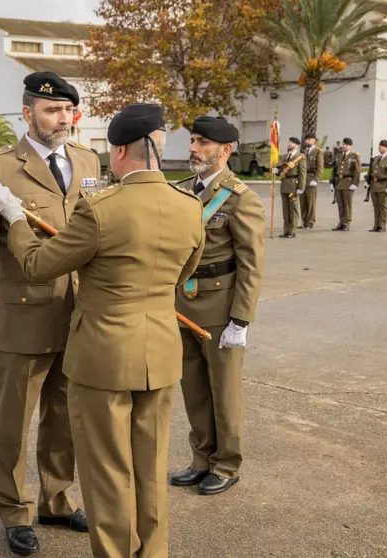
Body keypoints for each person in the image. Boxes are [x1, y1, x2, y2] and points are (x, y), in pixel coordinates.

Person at [0, 103, 205, 558]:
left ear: (121, 151)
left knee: (108, 474)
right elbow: (184, 274)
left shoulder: (102, 208)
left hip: (103, 355)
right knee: (150, 467)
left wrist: (16, 217)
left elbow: (37, 263)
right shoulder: (190, 207)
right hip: (160, 353)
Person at [0, 70, 100, 556]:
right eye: (52, 110)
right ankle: (14, 511)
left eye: (68, 110)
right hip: (20, 318)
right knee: (13, 423)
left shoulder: (87, 159)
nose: (62, 118)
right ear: (27, 114)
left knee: (64, 417)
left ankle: (56, 500)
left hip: (76, 314)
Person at [170, 116, 265, 496]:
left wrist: (240, 320)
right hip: (182, 305)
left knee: (223, 392)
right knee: (193, 389)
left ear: (224, 151)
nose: (193, 148)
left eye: (203, 143)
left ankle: (226, 464)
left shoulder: (243, 199)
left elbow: (252, 264)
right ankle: (200, 459)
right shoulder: (181, 191)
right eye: (193, 140)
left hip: (220, 309)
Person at [275, 137, 306, 238]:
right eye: (289, 142)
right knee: (286, 209)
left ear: (297, 145)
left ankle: (292, 231)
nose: (289, 144)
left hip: (293, 185)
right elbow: (280, 170)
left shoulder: (300, 157)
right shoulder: (284, 157)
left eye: (292, 143)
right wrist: (276, 171)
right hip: (284, 184)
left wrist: (301, 187)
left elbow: (302, 173)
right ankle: (286, 230)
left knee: (293, 209)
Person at [368, 140, 387, 232]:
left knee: (383, 207)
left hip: (384, 186)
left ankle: (382, 225)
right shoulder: (376, 158)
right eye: (380, 146)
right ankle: (376, 225)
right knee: (376, 207)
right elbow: (371, 171)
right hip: (374, 185)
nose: (380, 147)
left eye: (382, 146)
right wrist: (368, 181)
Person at [333, 138, 362, 231]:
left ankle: (347, 223)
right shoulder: (339, 156)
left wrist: (355, 183)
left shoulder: (354, 156)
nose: (343, 146)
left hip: (348, 182)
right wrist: (332, 182)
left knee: (347, 204)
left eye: (345, 144)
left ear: (350, 146)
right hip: (339, 183)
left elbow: (357, 171)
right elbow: (335, 170)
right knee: (340, 204)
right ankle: (341, 222)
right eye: (343, 144)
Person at [300, 133, 324, 229]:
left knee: (311, 202)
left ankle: (310, 222)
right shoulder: (304, 151)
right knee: (303, 201)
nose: (306, 141)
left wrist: (316, 179)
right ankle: (304, 221)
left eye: (309, 139)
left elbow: (320, 167)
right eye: (306, 139)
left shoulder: (318, 151)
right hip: (303, 179)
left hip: (311, 178)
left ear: (314, 140)